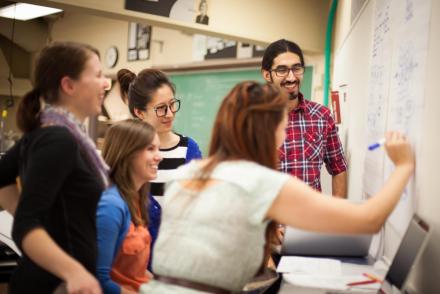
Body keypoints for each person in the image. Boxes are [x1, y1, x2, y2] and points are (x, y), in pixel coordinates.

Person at [139, 81, 414, 293]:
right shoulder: (259, 182)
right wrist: (403, 166)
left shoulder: (187, 173)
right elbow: (369, 220)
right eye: (283, 129)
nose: (283, 140)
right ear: (268, 131)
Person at [0, 42, 109, 293]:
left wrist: (44, 227)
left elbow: (2, 179)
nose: (105, 83)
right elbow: (25, 223)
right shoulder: (58, 139)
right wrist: (74, 272)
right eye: (98, 75)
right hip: (54, 285)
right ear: (68, 85)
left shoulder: (47, 132)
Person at [117, 68, 202, 268]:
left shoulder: (189, 149)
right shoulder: (129, 156)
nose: (170, 113)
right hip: (137, 267)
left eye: (173, 105)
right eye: (161, 108)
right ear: (139, 112)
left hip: (182, 264)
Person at [262, 39, 347, 198]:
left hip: (310, 220)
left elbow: (339, 169)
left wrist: (337, 217)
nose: (291, 77)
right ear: (267, 74)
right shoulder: (253, 119)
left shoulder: (322, 116)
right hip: (268, 221)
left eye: (297, 68)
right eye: (282, 70)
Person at [96, 119, 162, 293]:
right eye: (150, 148)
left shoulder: (137, 198)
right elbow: (99, 281)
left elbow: (135, 275)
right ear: (127, 153)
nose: (159, 156)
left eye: (158, 148)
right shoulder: (111, 205)